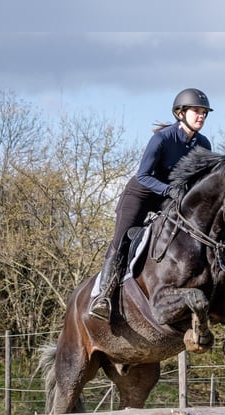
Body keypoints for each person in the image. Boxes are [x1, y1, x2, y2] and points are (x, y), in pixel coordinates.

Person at [88, 88, 214, 321]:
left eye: (204, 113)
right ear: (180, 113)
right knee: (122, 239)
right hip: (141, 194)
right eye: (196, 111)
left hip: (169, 197)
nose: (201, 116)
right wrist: (168, 190)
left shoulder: (203, 144)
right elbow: (144, 175)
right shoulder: (162, 139)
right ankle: (103, 296)